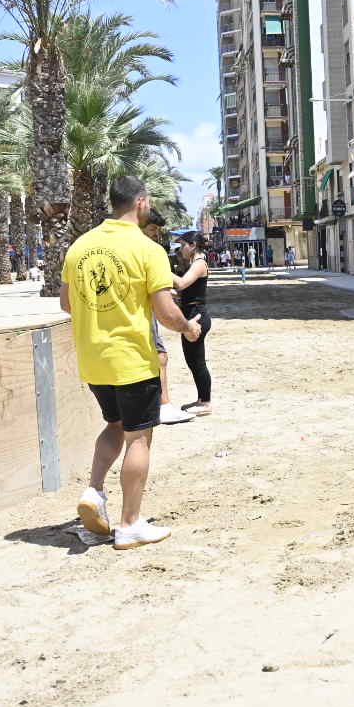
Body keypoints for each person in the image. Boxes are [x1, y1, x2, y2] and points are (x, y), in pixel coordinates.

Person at [64, 175, 202, 551]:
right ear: (141, 202)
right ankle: (129, 524)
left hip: (94, 361)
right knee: (138, 437)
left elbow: (66, 304)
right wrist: (188, 328)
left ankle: (94, 493)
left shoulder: (80, 246)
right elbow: (166, 311)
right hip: (132, 360)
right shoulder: (147, 249)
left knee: (114, 424)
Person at [140, 210, 192, 426]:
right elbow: (178, 285)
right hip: (144, 312)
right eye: (152, 230)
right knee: (160, 354)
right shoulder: (148, 251)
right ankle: (163, 405)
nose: (155, 235)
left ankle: (161, 404)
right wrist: (187, 327)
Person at [173, 230, 213, 417]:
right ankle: (201, 399)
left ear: (193, 246)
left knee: (197, 362)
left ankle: (205, 402)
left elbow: (181, 284)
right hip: (191, 314)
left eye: (183, 245)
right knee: (193, 361)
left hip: (196, 315)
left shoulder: (199, 263)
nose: (180, 249)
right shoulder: (193, 264)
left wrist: (159, 270)